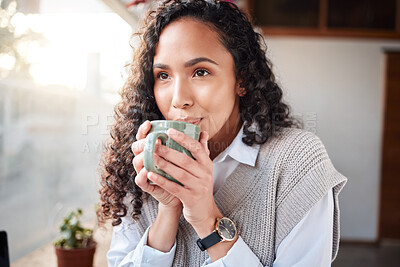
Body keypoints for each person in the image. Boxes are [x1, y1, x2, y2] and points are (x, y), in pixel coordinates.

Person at [97, 0, 347, 266]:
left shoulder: (297, 161)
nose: (179, 99)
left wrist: (206, 218)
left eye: (200, 72)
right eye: (163, 75)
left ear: (241, 79)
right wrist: (168, 211)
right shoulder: (141, 160)